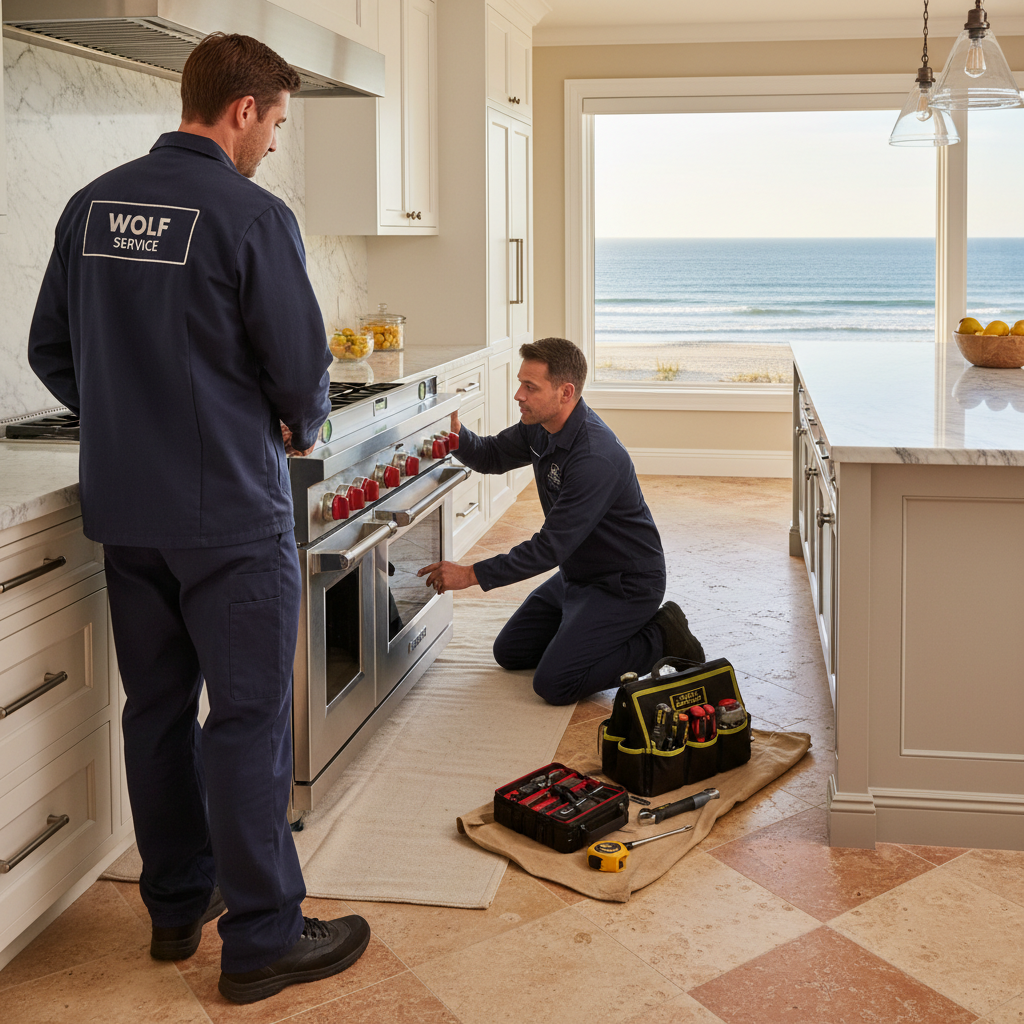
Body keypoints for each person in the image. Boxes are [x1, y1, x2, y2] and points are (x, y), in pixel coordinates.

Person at [27, 33, 369, 1005]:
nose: (273, 145)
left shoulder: (89, 205)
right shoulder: (252, 215)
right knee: (251, 722)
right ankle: (261, 936)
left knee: (158, 711)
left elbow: (51, 349)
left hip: (125, 512)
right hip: (229, 515)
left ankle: (177, 908)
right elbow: (302, 373)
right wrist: (296, 424)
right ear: (245, 110)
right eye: (276, 125)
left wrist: (125, 417)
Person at [418, 337, 704, 704]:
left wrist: (470, 574)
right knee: (511, 653)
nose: (518, 395)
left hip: (625, 585)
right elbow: (491, 456)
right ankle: (582, 630)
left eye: (530, 387)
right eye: (521, 383)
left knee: (555, 684)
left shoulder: (594, 458)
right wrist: (457, 435)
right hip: (577, 574)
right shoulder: (540, 426)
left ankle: (661, 635)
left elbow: (548, 547)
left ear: (565, 392)